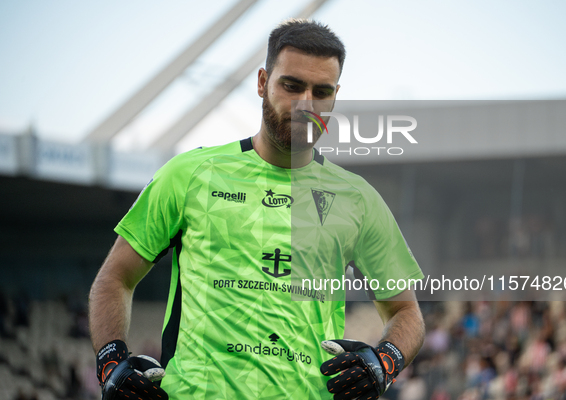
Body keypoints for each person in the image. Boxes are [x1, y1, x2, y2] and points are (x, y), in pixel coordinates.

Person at [89, 19, 425, 400]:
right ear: (263, 82)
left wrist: (385, 361)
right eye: (292, 86)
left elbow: (406, 313)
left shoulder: (358, 199)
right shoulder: (190, 174)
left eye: (322, 91)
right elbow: (114, 279)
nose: (305, 105)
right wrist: (110, 362)